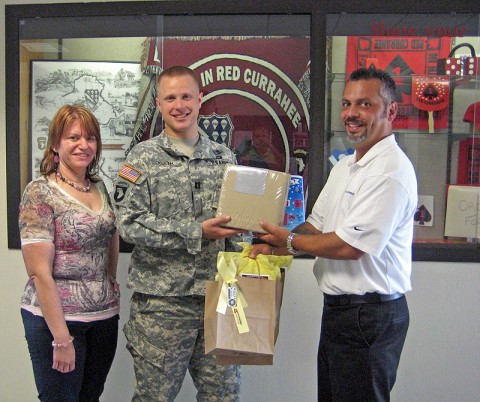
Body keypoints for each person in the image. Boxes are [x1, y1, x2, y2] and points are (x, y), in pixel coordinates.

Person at [250, 68, 418, 402]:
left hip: (369, 316)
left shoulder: (389, 171)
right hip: (342, 313)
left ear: (391, 111)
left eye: (365, 104)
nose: (351, 113)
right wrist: (269, 244)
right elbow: (314, 226)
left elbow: (349, 246)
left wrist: (288, 242)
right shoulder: (346, 167)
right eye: (347, 103)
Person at [113, 65, 245, 401]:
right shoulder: (141, 158)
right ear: (158, 103)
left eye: (186, 96)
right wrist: (195, 231)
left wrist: (251, 252)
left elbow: (240, 228)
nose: (179, 105)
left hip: (220, 299)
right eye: (170, 98)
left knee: (224, 396)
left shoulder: (224, 157)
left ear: (201, 99)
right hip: (163, 305)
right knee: (155, 398)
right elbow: (128, 222)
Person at [19, 104, 120, 401]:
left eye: (90, 138)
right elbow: (39, 271)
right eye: (73, 137)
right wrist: (62, 339)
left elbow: (110, 235)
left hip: (103, 317)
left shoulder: (100, 187)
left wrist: (110, 280)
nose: (83, 145)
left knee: (90, 397)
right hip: (58, 322)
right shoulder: (40, 192)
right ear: (55, 144)